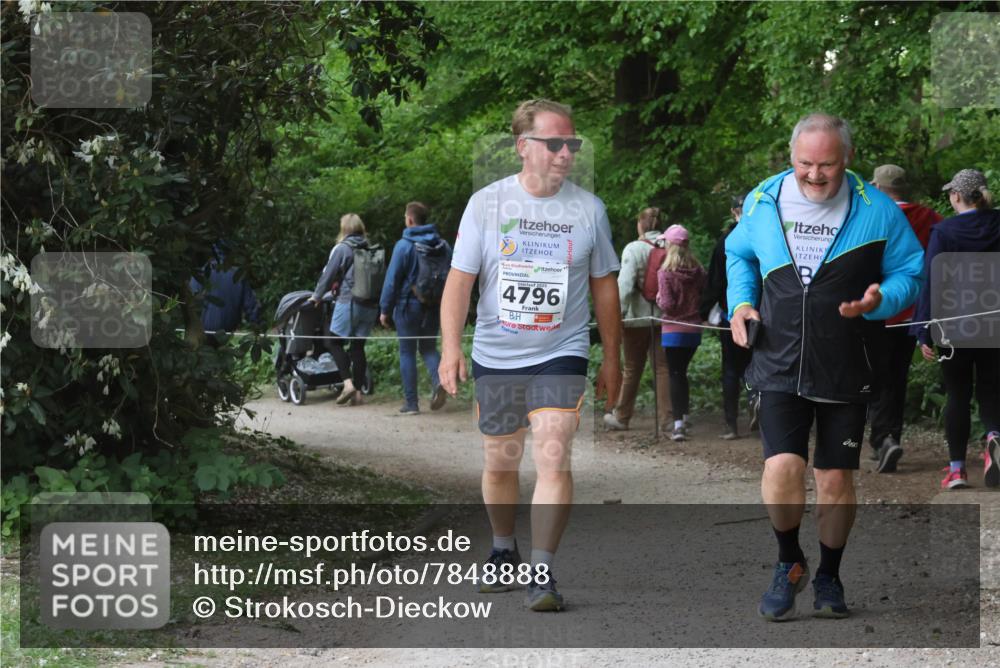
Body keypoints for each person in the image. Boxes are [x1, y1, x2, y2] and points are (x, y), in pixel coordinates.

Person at [726, 113, 924, 621]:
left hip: (847, 361)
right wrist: (742, 302)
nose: (814, 175)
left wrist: (881, 300)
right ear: (791, 157)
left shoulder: (878, 210)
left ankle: (830, 575)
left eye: (827, 165)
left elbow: (910, 273)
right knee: (782, 467)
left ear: (848, 159)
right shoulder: (763, 199)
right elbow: (737, 253)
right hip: (778, 358)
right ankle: (789, 561)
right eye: (804, 164)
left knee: (834, 480)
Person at [438, 99, 621, 612]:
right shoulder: (487, 204)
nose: (566, 153)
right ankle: (503, 548)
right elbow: (460, 280)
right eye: (554, 143)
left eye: (572, 144)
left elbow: (605, 287)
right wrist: (451, 346)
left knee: (554, 452)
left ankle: (542, 571)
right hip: (497, 352)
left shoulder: (589, 209)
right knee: (500, 462)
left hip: (561, 350)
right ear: (523, 146)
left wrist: (613, 357)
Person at [911, 168, 1000, 490]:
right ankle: (994, 438)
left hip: (954, 326)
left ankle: (957, 470)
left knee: (958, 394)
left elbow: (933, 282)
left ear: (957, 196)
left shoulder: (945, 231)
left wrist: (923, 329)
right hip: (995, 323)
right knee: (992, 390)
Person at [865, 164, 943, 473]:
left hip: (875, 310)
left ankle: (881, 438)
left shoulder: (872, 216)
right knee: (896, 375)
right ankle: (889, 437)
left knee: (874, 375)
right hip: (913, 312)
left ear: (878, 187)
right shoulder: (930, 217)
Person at [379, 201, 452, 415]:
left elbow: (392, 280)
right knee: (428, 348)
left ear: (410, 219)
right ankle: (439, 381)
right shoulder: (443, 246)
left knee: (407, 352)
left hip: (407, 306)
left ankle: (411, 404)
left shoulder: (403, 246)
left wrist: (384, 309)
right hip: (433, 305)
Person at [603, 207, 671, 433]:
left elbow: (624, 286)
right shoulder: (672, 247)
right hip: (665, 318)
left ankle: (622, 417)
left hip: (636, 319)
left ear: (640, 225)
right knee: (663, 368)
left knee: (632, 367)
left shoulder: (634, 248)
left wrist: (617, 316)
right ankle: (668, 421)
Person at [310, 214, 379, 406]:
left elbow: (328, 274)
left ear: (344, 229)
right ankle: (358, 393)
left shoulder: (342, 248)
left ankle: (348, 384)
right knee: (358, 346)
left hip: (349, 302)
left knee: (333, 342)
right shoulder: (371, 248)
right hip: (370, 304)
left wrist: (316, 296)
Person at [699, 194, 753, 440]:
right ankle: (751, 413)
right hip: (752, 314)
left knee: (732, 369)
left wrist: (704, 310)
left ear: (734, 212)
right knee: (754, 366)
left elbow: (715, 280)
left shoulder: (726, 241)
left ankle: (733, 423)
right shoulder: (762, 237)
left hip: (733, 314)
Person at [655, 224, 706, 442]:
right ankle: (684, 416)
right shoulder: (699, 271)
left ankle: (678, 425)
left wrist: (658, 298)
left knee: (675, 374)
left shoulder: (665, 273)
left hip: (673, 330)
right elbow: (704, 295)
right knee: (682, 372)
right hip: (694, 329)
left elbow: (667, 305)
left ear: (670, 245)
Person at [189, 242, 262, 346]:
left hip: (204, 332)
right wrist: (257, 327)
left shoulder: (201, 273)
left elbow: (190, 300)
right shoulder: (238, 275)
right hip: (226, 333)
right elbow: (251, 307)